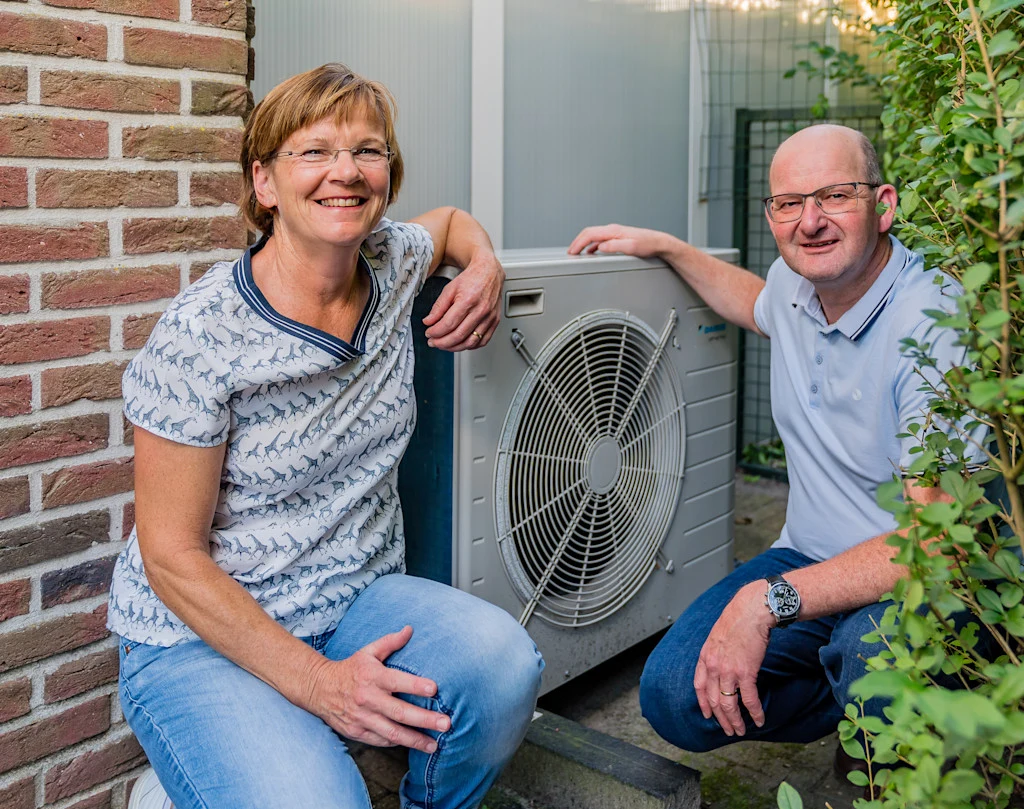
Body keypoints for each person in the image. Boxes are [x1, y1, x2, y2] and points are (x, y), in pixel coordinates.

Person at [109, 63, 543, 809]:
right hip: (201, 635)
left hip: (349, 603)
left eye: (367, 151)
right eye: (313, 151)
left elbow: (446, 226)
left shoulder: (395, 260)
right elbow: (170, 557)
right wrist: (318, 685)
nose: (345, 170)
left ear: (387, 176)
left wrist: (485, 263)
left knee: (504, 666)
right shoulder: (200, 336)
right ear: (265, 183)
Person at [568, 124, 983, 759]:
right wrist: (669, 248)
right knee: (675, 694)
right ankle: (855, 700)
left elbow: (938, 543)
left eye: (835, 196)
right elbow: (754, 301)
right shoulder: (797, 289)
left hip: (913, 578)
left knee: (871, 672)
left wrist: (768, 602)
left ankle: (881, 715)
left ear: (884, 204)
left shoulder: (932, 327)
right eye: (789, 203)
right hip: (809, 556)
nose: (809, 221)